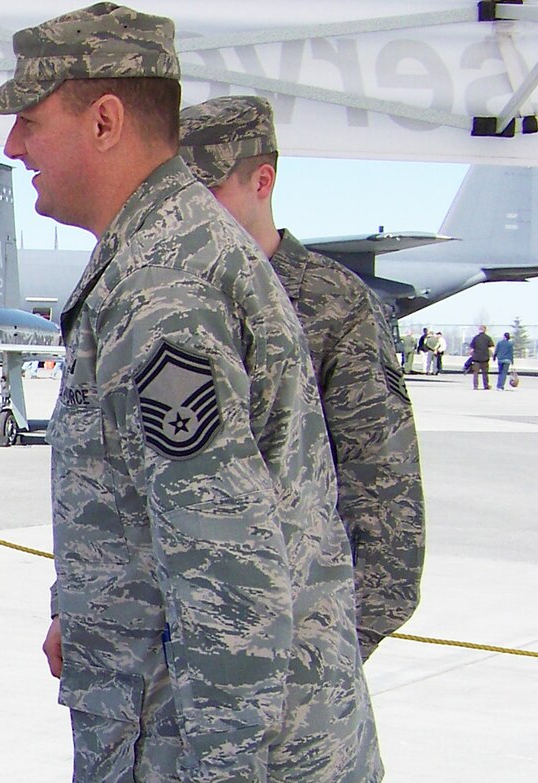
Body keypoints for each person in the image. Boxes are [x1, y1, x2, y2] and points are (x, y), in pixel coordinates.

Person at [0, 5, 380, 783]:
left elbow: (227, 568)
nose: (13, 144)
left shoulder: (164, 291)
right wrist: (85, 610)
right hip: (267, 759)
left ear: (106, 120)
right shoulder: (172, 256)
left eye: (30, 120)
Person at [178, 95, 426, 660]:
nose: (192, 213)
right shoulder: (168, 299)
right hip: (173, 637)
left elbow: (385, 492)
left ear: (261, 180)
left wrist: (332, 649)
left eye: (208, 193)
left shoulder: (333, 305)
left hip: (295, 642)